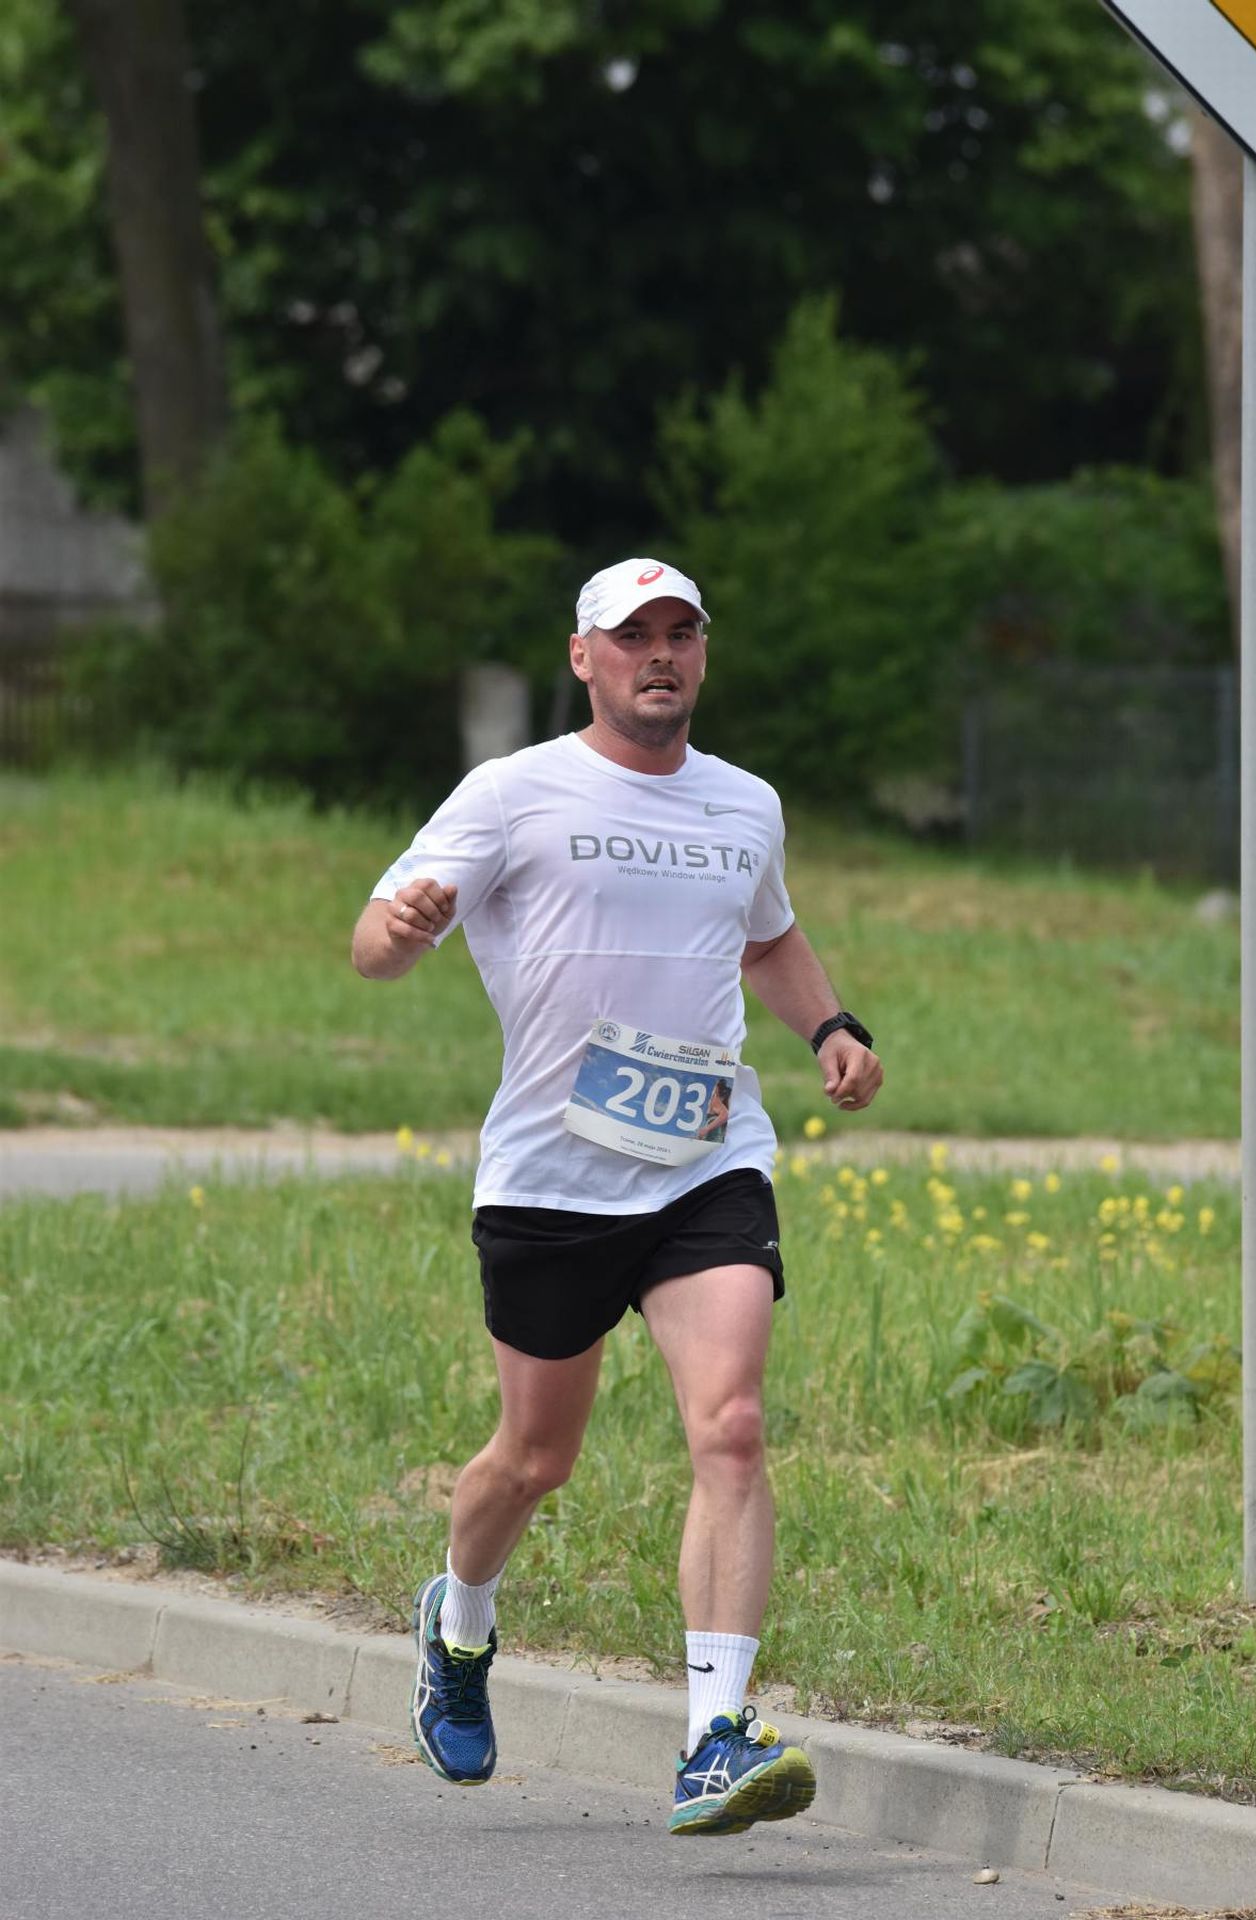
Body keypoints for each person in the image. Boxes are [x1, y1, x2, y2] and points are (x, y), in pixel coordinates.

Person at [351, 557, 883, 1837]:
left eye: (679, 633)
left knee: (732, 1426)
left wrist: (829, 1026)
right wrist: (403, 930)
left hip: (706, 1157)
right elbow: (372, 945)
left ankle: (714, 1736)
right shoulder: (512, 791)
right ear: (582, 657)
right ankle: (459, 1624)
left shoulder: (743, 803)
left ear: (701, 654)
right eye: (631, 634)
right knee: (534, 1460)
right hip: (551, 1175)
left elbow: (765, 934)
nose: (659, 653)